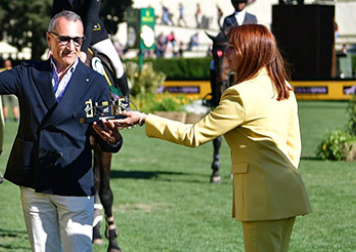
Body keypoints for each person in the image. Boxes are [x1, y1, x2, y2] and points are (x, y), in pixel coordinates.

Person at [112, 24, 311, 252]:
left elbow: (193, 135)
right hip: (289, 192)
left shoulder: (240, 95)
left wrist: (144, 119)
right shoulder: (283, 87)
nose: (225, 53)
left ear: (250, 53)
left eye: (232, 48)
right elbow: (293, 145)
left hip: (262, 200)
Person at [0, 11, 123, 252]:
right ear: (49, 39)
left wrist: (114, 138)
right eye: (64, 39)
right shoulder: (29, 72)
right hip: (35, 183)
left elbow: (108, 139)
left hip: (74, 185)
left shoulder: (95, 82)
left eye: (77, 41)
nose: (71, 47)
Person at [51, 0, 129, 94]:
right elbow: (55, 15)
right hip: (68, 37)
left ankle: (125, 100)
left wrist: (83, 50)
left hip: (93, 36)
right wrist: (52, 45)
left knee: (117, 65)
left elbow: (89, 21)